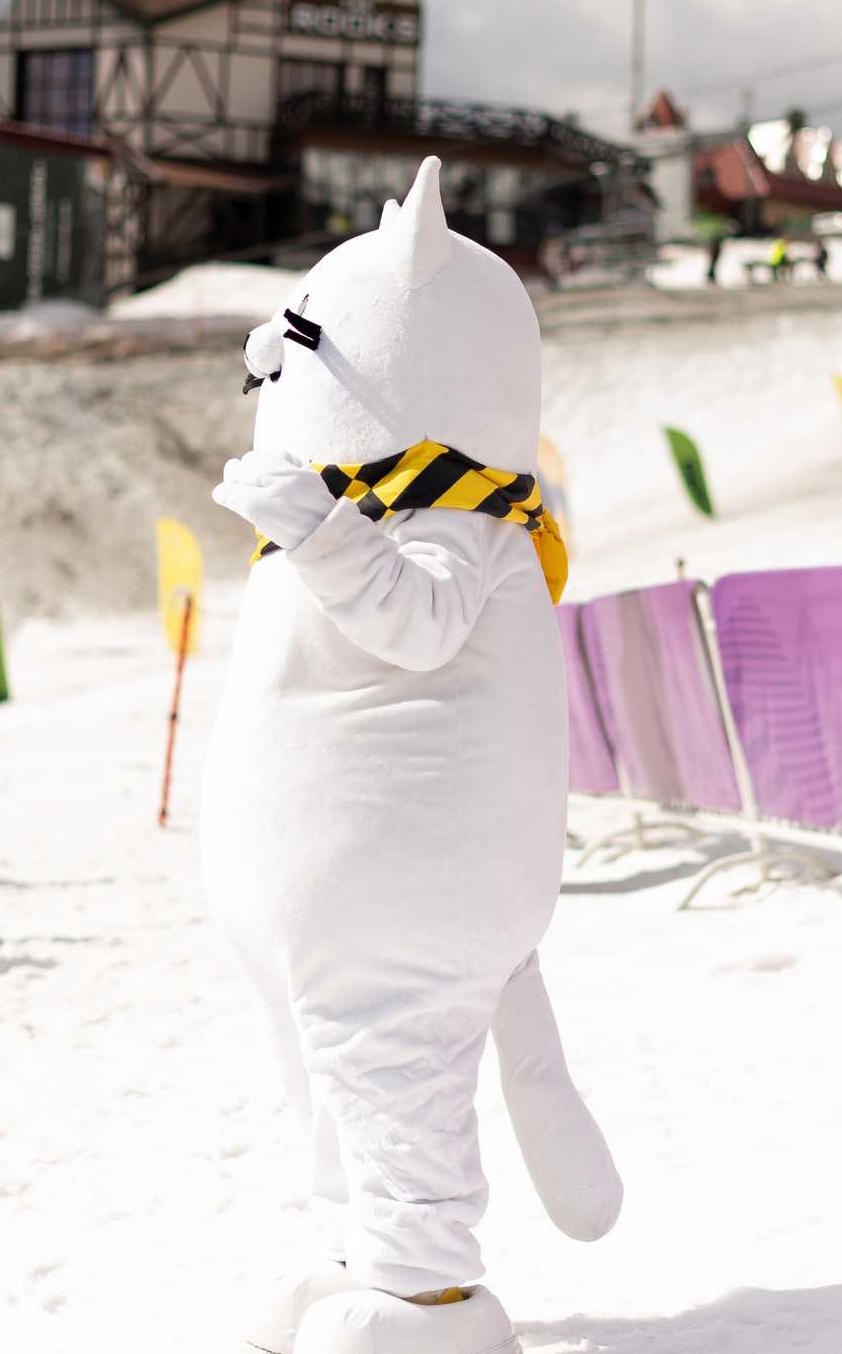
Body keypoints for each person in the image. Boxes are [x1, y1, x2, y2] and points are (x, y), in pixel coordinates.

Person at [206, 159, 617, 1354]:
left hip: (400, 894)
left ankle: (429, 1292)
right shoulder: (386, 505)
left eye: (292, 351)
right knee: (340, 1087)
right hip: (335, 901)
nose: (266, 374)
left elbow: (419, 625)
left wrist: (320, 530)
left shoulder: (460, 513)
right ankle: (361, 1249)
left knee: (390, 1070)